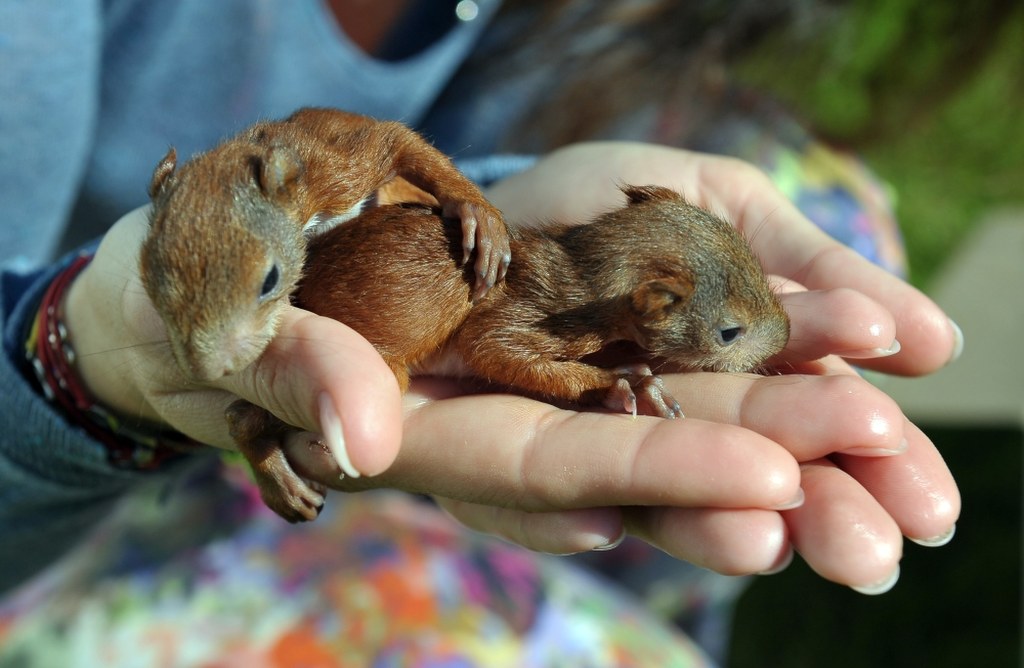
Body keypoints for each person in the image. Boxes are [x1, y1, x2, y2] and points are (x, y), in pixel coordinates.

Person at [0, 1, 961, 664]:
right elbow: (504, 346)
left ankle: (638, 566)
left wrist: (482, 193)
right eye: (727, 333)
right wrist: (78, 357)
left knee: (831, 238)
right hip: (70, 507)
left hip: (433, 250)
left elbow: (402, 164)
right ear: (652, 307)